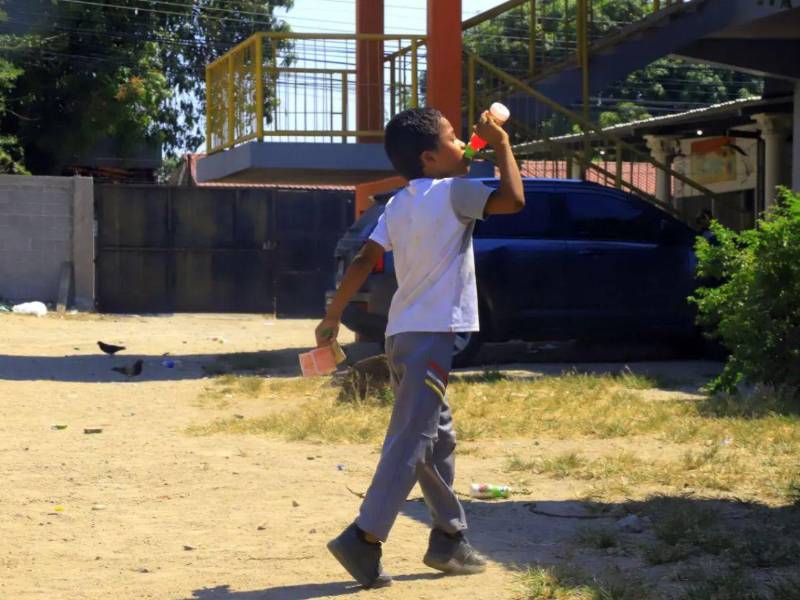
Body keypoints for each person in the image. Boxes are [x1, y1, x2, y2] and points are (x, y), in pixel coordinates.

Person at [315, 106, 524, 589]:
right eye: (455, 138)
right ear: (430, 157)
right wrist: (502, 145)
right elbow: (513, 200)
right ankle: (364, 538)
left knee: (437, 438)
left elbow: (367, 256)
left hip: (401, 334)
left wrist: (332, 314)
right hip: (431, 335)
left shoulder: (400, 202)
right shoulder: (455, 192)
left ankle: (449, 538)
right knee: (412, 437)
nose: (463, 144)